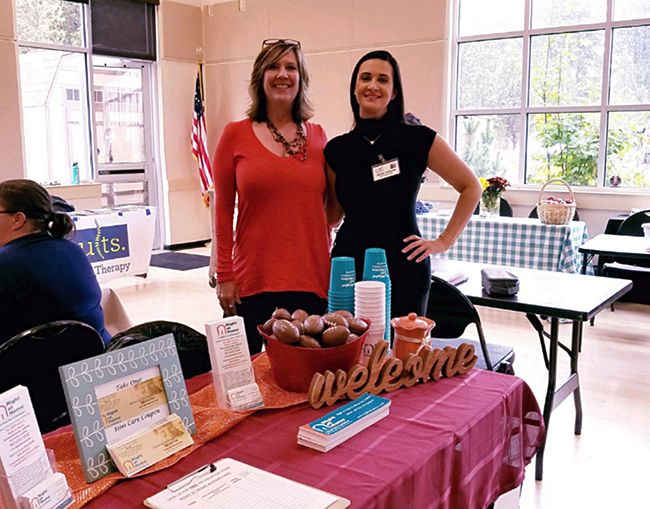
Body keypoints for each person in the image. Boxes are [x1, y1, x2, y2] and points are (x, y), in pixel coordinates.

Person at [324, 50, 482, 317]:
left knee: (404, 354)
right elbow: (333, 215)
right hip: (349, 265)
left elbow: (471, 187)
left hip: (405, 265)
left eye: (383, 79)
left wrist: (444, 241)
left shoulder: (419, 139)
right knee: (347, 352)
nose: (373, 85)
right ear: (354, 87)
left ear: (394, 92)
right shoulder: (337, 149)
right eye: (365, 78)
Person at [213, 39, 330, 353]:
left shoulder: (319, 137)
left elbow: (331, 210)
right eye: (273, 66)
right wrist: (225, 273)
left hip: (311, 280)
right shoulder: (234, 135)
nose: (283, 74)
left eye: (291, 67)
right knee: (246, 380)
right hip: (252, 280)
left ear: (301, 77)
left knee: (308, 382)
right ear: (259, 77)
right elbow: (223, 210)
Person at [0, 179, 110, 345]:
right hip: (93, 359)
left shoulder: (6, 263)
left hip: (31, 366)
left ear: (18, 219)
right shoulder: (74, 251)